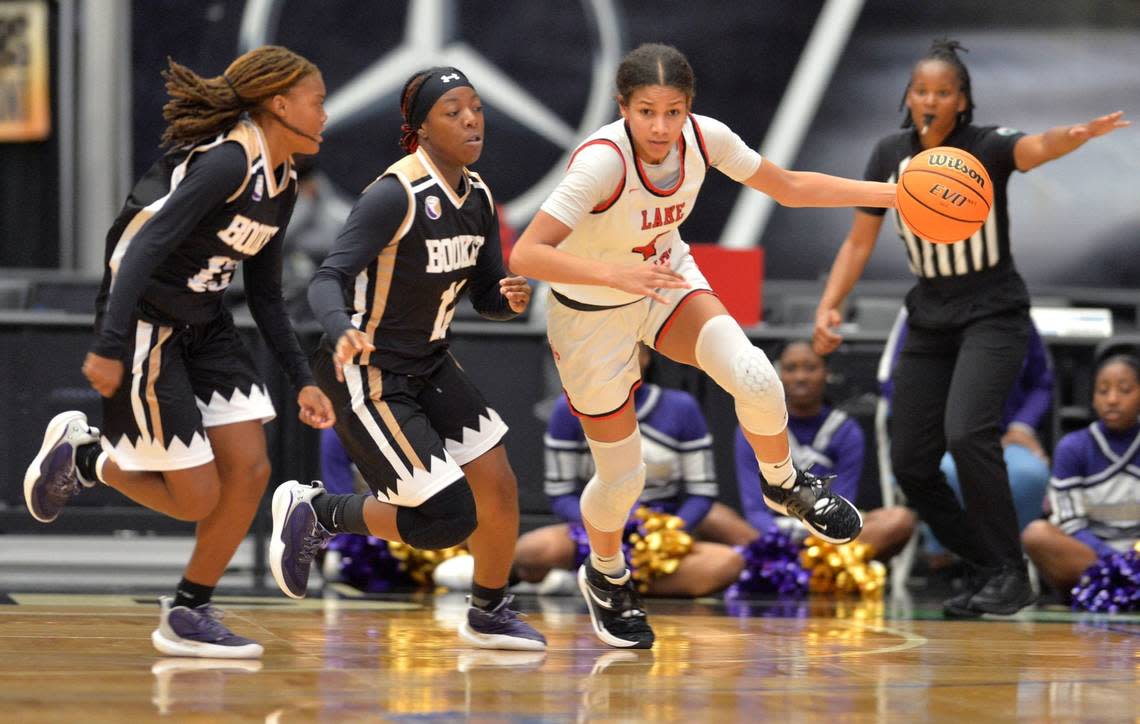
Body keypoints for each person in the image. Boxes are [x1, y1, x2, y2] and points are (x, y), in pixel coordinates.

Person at [508, 43, 896, 649]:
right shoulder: (601, 164)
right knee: (622, 478)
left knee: (756, 375)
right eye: (645, 111)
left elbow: (789, 186)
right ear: (622, 108)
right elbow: (526, 253)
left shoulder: (706, 138)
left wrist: (895, 196)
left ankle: (784, 481)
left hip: (664, 277)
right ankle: (606, 575)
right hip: (591, 311)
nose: (661, 127)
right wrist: (617, 276)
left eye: (673, 110)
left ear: (690, 108)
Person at [22, 46, 336, 658]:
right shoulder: (225, 164)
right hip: (146, 323)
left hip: (208, 323)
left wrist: (302, 377)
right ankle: (87, 459)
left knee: (249, 471)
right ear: (279, 103)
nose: (326, 114)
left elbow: (267, 295)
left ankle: (189, 611)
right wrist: (111, 345)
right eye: (317, 101)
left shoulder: (285, 179)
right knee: (196, 497)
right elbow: (138, 251)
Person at [812, 38, 1129, 617]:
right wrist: (830, 304)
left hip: (993, 309)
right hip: (929, 316)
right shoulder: (889, 153)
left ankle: (1008, 571)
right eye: (921, 90)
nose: (929, 100)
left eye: (943, 91)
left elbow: (1034, 148)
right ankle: (988, 565)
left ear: (962, 101)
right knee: (910, 461)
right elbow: (859, 241)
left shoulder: (984, 145)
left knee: (967, 433)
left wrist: (1075, 135)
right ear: (909, 98)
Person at [273, 66, 546, 652]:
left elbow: (485, 293)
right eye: (453, 111)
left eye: (476, 107)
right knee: (447, 519)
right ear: (421, 128)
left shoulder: (478, 195)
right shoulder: (393, 194)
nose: (471, 119)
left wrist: (506, 299)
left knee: (498, 485)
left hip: (430, 363)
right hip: (366, 370)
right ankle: (320, 511)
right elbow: (327, 279)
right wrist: (341, 328)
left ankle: (490, 609)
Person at [511, 344, 743, 597]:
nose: (616, 362)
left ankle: (597, 584)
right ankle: (605, 579)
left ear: (645, 356)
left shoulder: (681, 407)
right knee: (531, 552)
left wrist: (667, 530)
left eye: (627, 352)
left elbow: (702, 493)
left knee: (727, 563)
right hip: (592, 527)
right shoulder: (569, 408)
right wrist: (602, 525)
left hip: (660, 531)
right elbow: (560, 493)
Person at [720, 342, 917, 560]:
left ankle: (792, 567)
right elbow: (754, 509)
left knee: (900, 520)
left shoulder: (845, 430)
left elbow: (841, 505)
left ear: (827, 373)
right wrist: (780, 540)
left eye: (810, 368)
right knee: (714, 517)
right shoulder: (754, 426)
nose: (800, 377)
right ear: (778, 374)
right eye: (791, 368)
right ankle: (807, 567)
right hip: (767, 533)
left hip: (828, 534)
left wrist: (812, 541)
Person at [882, 313, 1053, 560]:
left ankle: (1009, 563)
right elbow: (893, 384)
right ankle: (947, 556)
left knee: (1031, 475)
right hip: (939, 435)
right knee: (943, 472)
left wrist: (1022, 426)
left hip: (1004, 436)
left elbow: (1041, 383)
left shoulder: (1014, 312)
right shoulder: (922, 311)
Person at [1021, 354, 1140, 597]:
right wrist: (1117, 563)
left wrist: (1134, 558)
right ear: (1093, 399)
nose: (1113, 399)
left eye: (1124, 390)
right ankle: (1111, 588)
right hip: (1089, 556)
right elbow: (1070, 522)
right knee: (1036, 534)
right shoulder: (1073, 447)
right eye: (1103, 391)